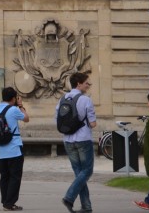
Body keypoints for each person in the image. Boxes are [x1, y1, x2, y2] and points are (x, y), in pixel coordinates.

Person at [59, 71, 97, 213]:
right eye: (87, 83)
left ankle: (86, 207)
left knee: (79, 174)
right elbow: (93, 124)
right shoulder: (86, 100)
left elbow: (57, 119)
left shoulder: (62, 99)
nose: (88, 86)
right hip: (83, 139)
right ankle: (69, 197)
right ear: (79, 83)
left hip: (68, 140)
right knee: (87, 171)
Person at [0, 87, 29, 211]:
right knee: (15, 177)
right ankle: (10, 203)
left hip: (0, 150)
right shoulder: (14, 109)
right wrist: (21, 105)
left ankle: (5, 201)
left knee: (4, 176)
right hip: (14, 148)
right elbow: (26, 118)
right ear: (13, 98)